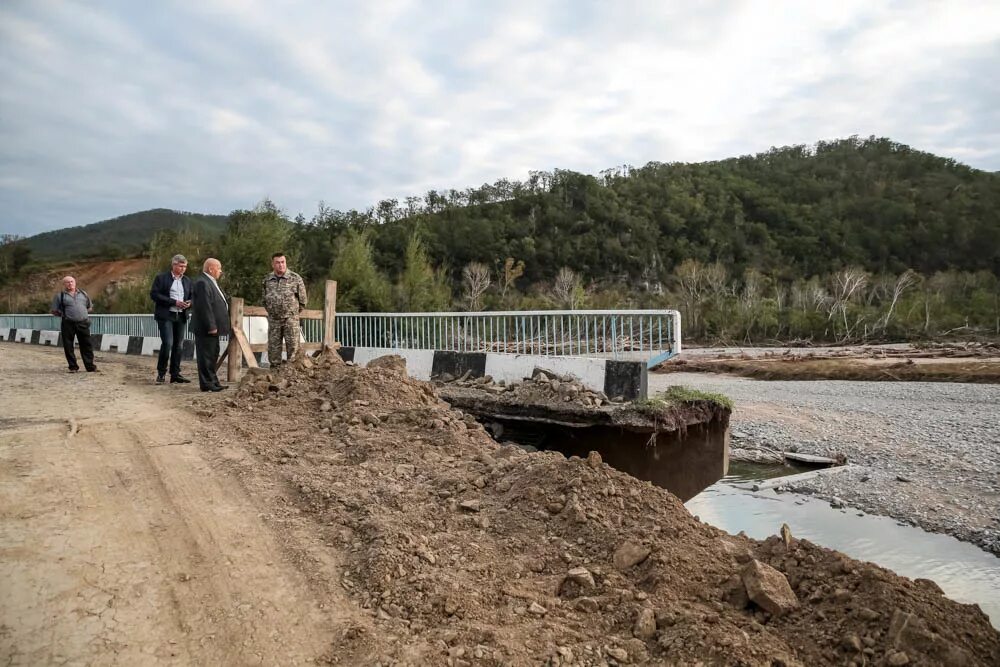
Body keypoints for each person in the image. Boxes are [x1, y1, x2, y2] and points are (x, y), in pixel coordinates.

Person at [149, 254, 194, 384]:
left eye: (185, 266)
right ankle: (161, 373)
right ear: (173, 265)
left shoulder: (187, 281)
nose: (183, 269)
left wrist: (189, 303)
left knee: (178, 346)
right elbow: (154, 294)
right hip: (166, 315)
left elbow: (192, 296)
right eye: (180, 266)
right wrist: (173, 302)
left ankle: (175, 374)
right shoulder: (161, 278)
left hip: (181, 316)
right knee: (168, 343)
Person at [189, 258, 230, 392]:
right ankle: (207, 383)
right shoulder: (202, 282)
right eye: (219, 268)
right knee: (206, 356)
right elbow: (204, 307)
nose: (220, 271)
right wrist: (211, 326)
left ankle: (213, 381)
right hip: (206, 328)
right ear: (211, 269)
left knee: (213, 354)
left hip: (213, 328)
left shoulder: (210, 282)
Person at [262, 252, 307, 368]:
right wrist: (273, 311)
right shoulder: (267, 280)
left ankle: (292, 377)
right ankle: (275, 375)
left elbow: (303, 301)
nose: (281, 265)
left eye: (283, 262)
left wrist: (292, 313)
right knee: (273, 349)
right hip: (274, 320)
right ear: (273, 264)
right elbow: (264, 300)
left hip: (290, 319)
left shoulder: (295, 278)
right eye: (277, 263)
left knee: (293, 349)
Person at [49, 276, 98, 373]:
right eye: (67, 282)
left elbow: (89, 307)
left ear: (75, 283)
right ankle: (73, 367)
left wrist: (81, 314)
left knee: (86, 345)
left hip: (83, 323)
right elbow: (54, 311)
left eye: (71, 281)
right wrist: (65, 315)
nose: (70, 283)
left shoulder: (83, 294)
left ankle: (90, 367)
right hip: (68, 324)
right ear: (64, 284)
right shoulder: (60, 296)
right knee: (68, 346)